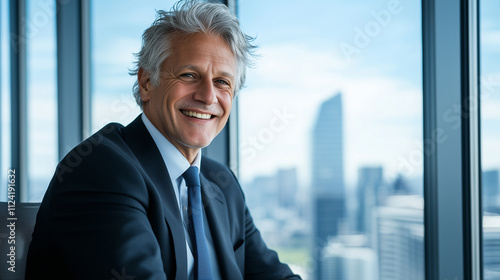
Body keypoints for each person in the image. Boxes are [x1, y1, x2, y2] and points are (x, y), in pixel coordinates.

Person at [26, 1, 301, 279]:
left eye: (222, 82)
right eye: (189, 75)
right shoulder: (102, 170)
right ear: (146, 83)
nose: (208, 96)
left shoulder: (222, 183)